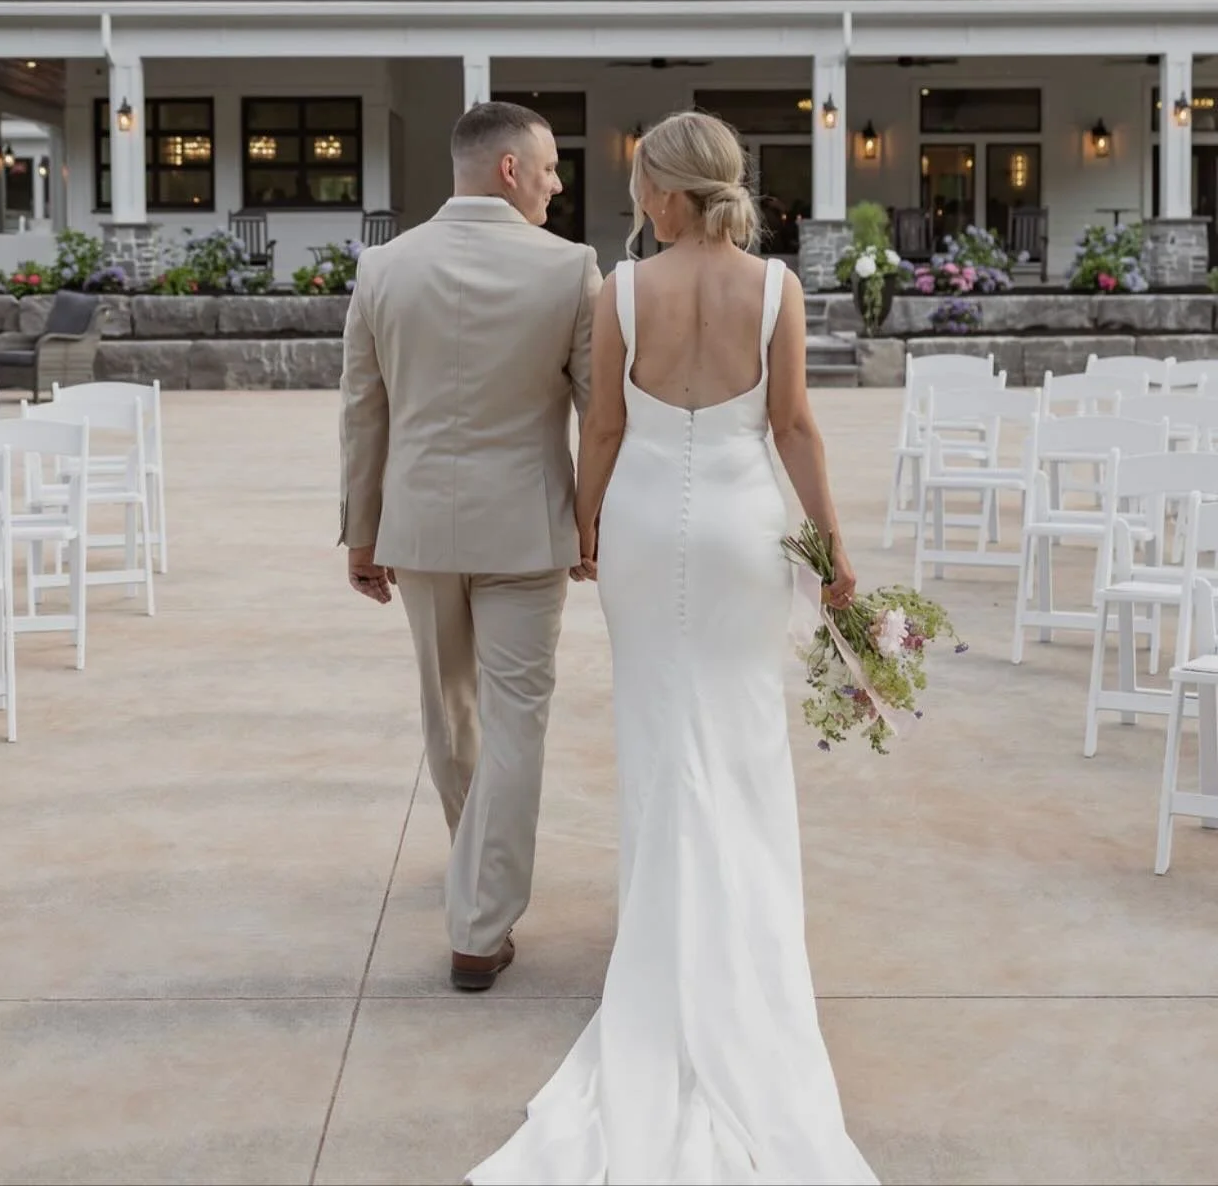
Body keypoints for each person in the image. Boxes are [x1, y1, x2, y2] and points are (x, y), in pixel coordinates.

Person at [469, 110, 876, 1185]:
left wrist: (588, 522)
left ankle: (661, 938)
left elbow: (600, 426)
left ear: (664, 193)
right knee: (740, 740)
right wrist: (834, 556)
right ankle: (740, 945)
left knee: (659, 734)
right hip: (744, 530)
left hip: (650, 525)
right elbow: (794, 425)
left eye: (640, 181)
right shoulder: (778, 289)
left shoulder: (623, 289)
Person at [340, 100, 601, 992]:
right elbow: (599, 416)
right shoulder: (571, 270)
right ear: (509, 171)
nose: (558, 185)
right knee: (516, 717)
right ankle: (480, 925)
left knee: (449, 710)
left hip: (417, 529)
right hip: (526, 530)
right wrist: (593, 521)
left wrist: (361, 532)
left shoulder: (382, 266)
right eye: (552, 168)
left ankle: (474, 869)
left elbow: (361, 411)